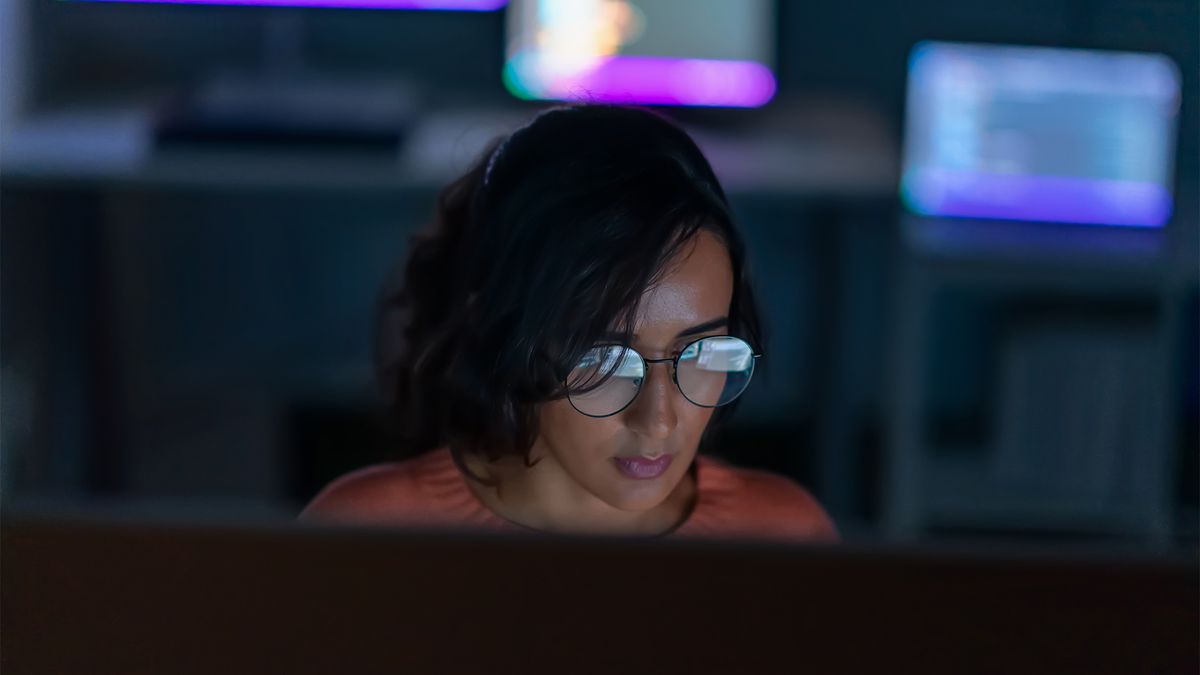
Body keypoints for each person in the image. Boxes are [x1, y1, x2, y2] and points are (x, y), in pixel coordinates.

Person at [300, 105, 836, 541]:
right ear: (505, 333)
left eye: (700, 353)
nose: (657, 422)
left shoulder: (783, 538)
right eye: (604, 359)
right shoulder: (368, 537)